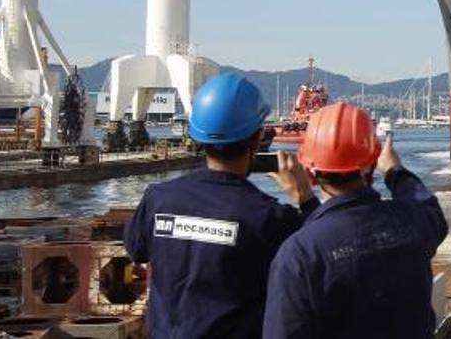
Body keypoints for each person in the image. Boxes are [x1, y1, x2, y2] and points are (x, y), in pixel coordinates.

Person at [124, 73, 318, 339]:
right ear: (256, 139)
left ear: (198, 137)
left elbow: (137, 250)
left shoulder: (158, 199)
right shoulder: (269, 218)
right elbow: (319, 260)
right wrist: (305, 197)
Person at [263, 102, 449, 339]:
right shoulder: (414, 222)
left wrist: (306, 201)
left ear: (309, 171)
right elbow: (430, 210)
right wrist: (395, 170)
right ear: (372, 164)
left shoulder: (299, 254)